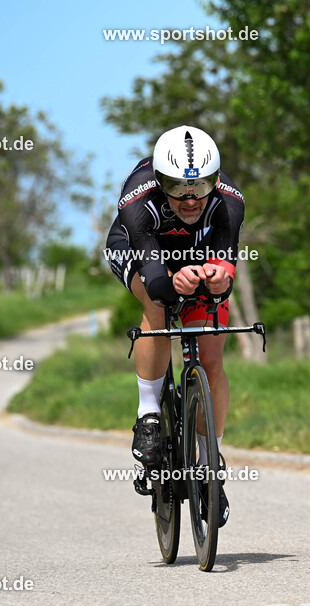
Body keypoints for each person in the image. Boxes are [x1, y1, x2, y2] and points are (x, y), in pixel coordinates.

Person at [103, 125, 245, 526]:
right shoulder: (138, 198)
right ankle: (149, 412)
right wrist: (171, 281)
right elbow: (156, 279)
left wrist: (217, 280)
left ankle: (209, 462)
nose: (190, 198)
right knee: (158, 301)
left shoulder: (230, 202)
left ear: (215, 179)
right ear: (159, 181)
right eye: (177, 187)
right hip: (140, 251)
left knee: (211, 357)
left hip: (198, 253)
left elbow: (225, 273)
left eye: (200, 186)